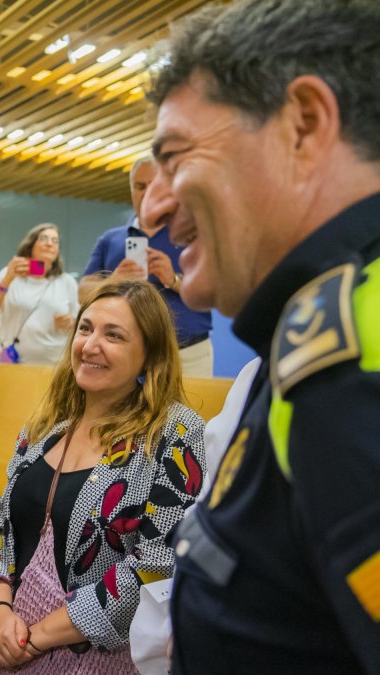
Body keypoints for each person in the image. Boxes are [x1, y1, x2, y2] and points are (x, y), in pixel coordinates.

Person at [142, 0, 380, 672]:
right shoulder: (314, 334)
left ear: (303, 125)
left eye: (175, 155)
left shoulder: (353, 362)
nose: (153, 204)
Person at [0, 279, 206, 673]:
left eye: (113, 335)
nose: (90, 345)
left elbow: (158, 564)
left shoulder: (176, 435)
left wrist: (39, 635)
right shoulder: (44, 429)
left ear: (149, 356)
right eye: (86, 328)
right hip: (13, 651)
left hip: (103, 661)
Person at [80, 157, 214, 377]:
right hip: (126, 354)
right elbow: (82, 292)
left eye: (153, 185)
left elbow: (212, 292)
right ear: (131, 189)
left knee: (194, 411)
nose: (147, 193)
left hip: (188, 353)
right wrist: (113, 280)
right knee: (126, 413)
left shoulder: (194, 234)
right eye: (140, 186)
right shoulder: (110, 239)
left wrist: (174, 280)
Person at [0, 223, 79, 365]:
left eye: (55, 241)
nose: (49, 244)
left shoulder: (66, 282)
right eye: (43, 238)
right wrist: (7, 280)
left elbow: (79, 324)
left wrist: (70, 322)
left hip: (53, 365)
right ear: (31, 245)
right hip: (11, 364)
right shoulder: (9, 275)